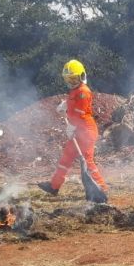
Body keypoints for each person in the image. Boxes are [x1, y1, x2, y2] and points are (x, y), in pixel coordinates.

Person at [38, 59, 108, 195]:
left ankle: (101, 188)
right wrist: (66, 104)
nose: (71, 83)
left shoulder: (84, 91)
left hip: (86, 131)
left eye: (74, 79)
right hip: (78, 130)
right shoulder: (75, 91)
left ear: (81, 76)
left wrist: (71, 126)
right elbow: (74, 105)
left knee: (87, 161)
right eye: (68, 80)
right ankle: (54, 186)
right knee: (67, 156)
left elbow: (80, 113)